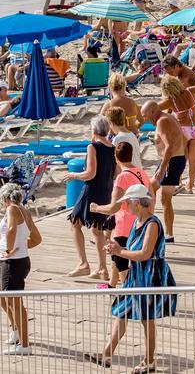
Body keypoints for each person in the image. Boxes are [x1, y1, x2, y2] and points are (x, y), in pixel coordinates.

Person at [93, 184, 176, 373]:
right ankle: (106, 353)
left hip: (149, 274)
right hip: (136, 273)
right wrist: (116, 247)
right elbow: (133, 250)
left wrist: (120, 251)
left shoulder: (152, 223)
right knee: (121, 311)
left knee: (147, 319)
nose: (125, 207)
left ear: (137, 203)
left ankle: (149, 360)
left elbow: (145, 254)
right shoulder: (138, 222)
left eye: (127, 203)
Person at [62, 116, 118, 280]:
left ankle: (83, 264)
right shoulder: (113, 148)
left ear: (94, 131)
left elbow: (90, 174)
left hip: (92, 190)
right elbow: (116, 174)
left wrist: (73, 175)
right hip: (106, 190)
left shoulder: (93, 147)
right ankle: (102, 269)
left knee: (75, 223)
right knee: (97, 229)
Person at [91, 141, 152, 287]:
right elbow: (150, 197)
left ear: (116, 158)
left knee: (120, 260)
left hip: (124, 225)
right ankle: (112, 285)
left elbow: (113, 208)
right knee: (116, 256)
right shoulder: (142, 173)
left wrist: (96, 208)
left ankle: (128, 293)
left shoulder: (122, 178)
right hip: (139, 221)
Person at [0, 182, 39, 356]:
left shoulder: (12, 209)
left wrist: (9, 249)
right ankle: (16, 330)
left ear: (5, 198)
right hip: (15, 261)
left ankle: (25, 344)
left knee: (15, 302)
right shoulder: (24, 211)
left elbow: (11, 230)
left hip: (12, 262)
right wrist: (21, 246)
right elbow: (37, 239)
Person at [144, 101, 186, 242]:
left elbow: (169, 146)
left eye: (145, 115)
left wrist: (162, 168)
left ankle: (165, 233)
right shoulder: (167, 118)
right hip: (172, 161)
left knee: (162, 197)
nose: (145, 119)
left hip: (170, 162)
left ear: (153, 111)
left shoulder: (162, 121)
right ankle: (153, 228)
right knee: (152, 191)